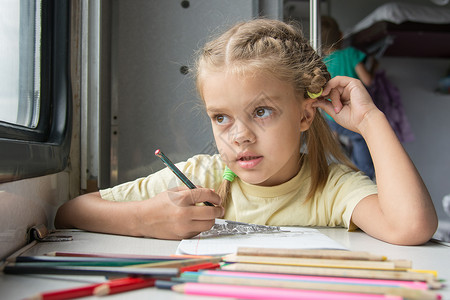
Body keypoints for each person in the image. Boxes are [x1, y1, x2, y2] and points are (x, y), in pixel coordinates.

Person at [55, 18, 437, 246]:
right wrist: (144, 219)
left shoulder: (331, 187)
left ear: (306, 115)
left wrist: (371, 121)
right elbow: (70, 212)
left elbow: (412, 226)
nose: (239, 136)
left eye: (261, 111)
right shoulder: (199, 178)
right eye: (221, 117)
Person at [321, 16, 376, 179]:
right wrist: (373, 67)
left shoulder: (322, 62)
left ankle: (339, 151)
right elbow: (367, 80)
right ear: (340, 35)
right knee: (359, 137)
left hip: (330, 116)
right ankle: (366, 175)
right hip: (348, 110)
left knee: (339, 140)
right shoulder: (350, 54)